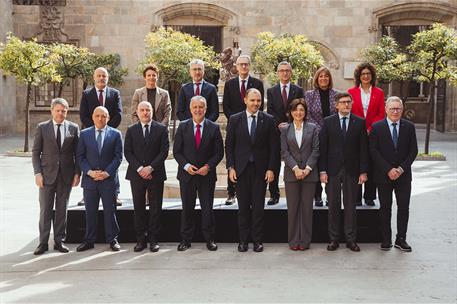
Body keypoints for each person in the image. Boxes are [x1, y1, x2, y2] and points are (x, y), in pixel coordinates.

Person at [225, 88, 278, 252]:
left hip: (260, 171)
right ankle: (243, 241)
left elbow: (274, 147)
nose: (256, 103)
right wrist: (231, 167)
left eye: (259, 101)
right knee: (242, 209)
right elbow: (229, 145)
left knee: (258, 208)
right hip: (241, 170)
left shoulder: (268, 120)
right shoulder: (235, 119)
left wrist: (271, 169)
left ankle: (257, 241)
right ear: (245, 100)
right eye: (253, 100)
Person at [173, 96, 224, 251]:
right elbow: (177, 152)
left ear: (205, 109)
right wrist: (186, 166)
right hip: (187, 176)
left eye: (201, 107)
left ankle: (209, 239)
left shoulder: (213, 127)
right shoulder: (182, 126)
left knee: (207, 208)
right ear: (190, 109)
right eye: (195, 107)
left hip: (206, 175)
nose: (198, 110)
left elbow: (219, 152)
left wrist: (208, 166)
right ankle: (185, 240)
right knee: (187, 209)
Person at [319, 92, 368, 252]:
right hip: (332, 170)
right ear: (336, 105)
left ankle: (350, 239)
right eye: (343, 102)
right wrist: (323, 171)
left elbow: (363, 150)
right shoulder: (327, 122)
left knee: (350, 206)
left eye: (349, 102)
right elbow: (323, 148)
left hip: (352, 170)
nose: (346, 104)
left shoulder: (360, 122)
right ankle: (333, 239)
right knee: (333, 205)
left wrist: (363, 171)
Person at [31, 98, 80, 255]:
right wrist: (37, 173)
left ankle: (59, 241)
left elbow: (78, 154)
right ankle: (43, 243)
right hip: (46, 176)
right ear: (52, 111)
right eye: (58, 110)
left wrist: (77, 173)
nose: (60, 113)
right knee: (45, 209)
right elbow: (35, 153)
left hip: (66, 176)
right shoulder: (42, 128)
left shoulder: (73, 128)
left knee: (61, 209)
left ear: (67, 112)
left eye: (63, 111)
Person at [369, 96, 418, 252]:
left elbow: (413, 151)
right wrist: (388, 169)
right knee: (385, 207)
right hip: (383, 175)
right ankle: (386, 239)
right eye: (392, 108)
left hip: (403, 176)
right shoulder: (377, 127)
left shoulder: (409, 127)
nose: (395, 111)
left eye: (398, 108)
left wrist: (400, 169)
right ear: (386, 109)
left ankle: (401, 239)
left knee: (403, 207)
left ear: (402, 109)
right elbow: (373, 151)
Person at [76, 106, 123, 252]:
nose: (100, 119)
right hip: (90, 180)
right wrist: (89, 172)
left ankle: (112, 239)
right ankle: (89, 240)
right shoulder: (84, 134)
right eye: (97, 116)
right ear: (92, 117)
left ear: (108, 118)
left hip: (108, 180)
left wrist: (107, 173)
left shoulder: (116, 134)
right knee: (90, 212)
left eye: (104, 116)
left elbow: (118, 157)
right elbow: (80, 157)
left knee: (110, 211)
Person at [124, 101, 169, 253]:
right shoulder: (131, 130)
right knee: (139, 208)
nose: (145, 113)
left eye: (147, 110)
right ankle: (140, 240)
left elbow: (164, 151)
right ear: (137, 112)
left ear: (151, 112)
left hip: (155, 174)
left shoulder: (161, 129)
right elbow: (128, 152)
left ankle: (153, 240)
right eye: (142, 110)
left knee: (155, 208)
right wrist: (140, 169)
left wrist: (150, 168)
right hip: (136, 175)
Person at [222, 54, 264, 206]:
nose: (244, 67)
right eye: (241, 64)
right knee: (233, 155)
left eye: (246, 64)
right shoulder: (230, 84)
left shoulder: (257, 83)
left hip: (253, 125)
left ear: (249, 66)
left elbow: (260, 105)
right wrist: (237, 120)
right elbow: (226, 106)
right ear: (237, 67)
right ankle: (231, 193)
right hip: (236, 126)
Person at [79, 67, 123, 206]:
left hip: (109, 135)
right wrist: (94, 127)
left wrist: (107, 129)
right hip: (91, 135)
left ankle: (115, 194)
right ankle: (86, 196)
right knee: (90, 162)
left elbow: (118, 114)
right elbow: (83, 115)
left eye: (104, 76)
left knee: (111, 164)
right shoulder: (86, 94)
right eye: (99, 75)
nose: (101, 78)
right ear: (94, 77)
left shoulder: (114, 93)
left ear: (107, 78)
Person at [280, 98, 319, 251]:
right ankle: (294, 241)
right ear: (291, 112)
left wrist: (307, 169)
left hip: (309, 174)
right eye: (296, 109)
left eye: (302, 110)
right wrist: (296, 168)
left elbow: (316, 150)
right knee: (293, 208)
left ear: (305, 112)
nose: (298, 112)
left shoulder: (313, 128)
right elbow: (284, 151)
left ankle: (305, 242)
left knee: (307, 209)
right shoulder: (285, 129)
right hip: (292, 174)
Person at [267, 61, 304, 205]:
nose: (284, 73)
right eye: (282, 70)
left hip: (294, 130)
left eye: (287, 70)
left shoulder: (298, 90)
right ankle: (274, 194)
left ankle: (296, 193)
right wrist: (279, 125)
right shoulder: (271, 91)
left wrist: (289, 124)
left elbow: (301, 108)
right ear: (278, 73)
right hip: (276, 131)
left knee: (295, 161)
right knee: (274, 162)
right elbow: (270, 110)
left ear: (291, 72)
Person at [348, 62, 385, 207]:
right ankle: (356, 196)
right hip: (355, 133)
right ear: (359, 76)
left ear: (372, 76)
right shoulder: (352, 92)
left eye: (368, 74)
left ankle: (369, 196)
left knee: (371, 163)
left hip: (373, 133)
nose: (365, 76)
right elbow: (348, 111)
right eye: (363, 74)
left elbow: (381, 113)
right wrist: (359, 128)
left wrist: (370, 128)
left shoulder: (379, 92)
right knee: (356, 163)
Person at [305, 66, 338, 207]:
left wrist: (329, 129)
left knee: (331, 165)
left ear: (330, 79)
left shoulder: (336, 95)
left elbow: (339, 113)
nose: (323, 78)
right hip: (315, 134)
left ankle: (331, 195)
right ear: (316, 79)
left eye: (326, 76)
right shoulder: (310, 95)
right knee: (316, 164)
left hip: (333, 135)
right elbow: (307, 114)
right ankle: (317, 195)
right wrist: (321, 129)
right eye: (320, 76)